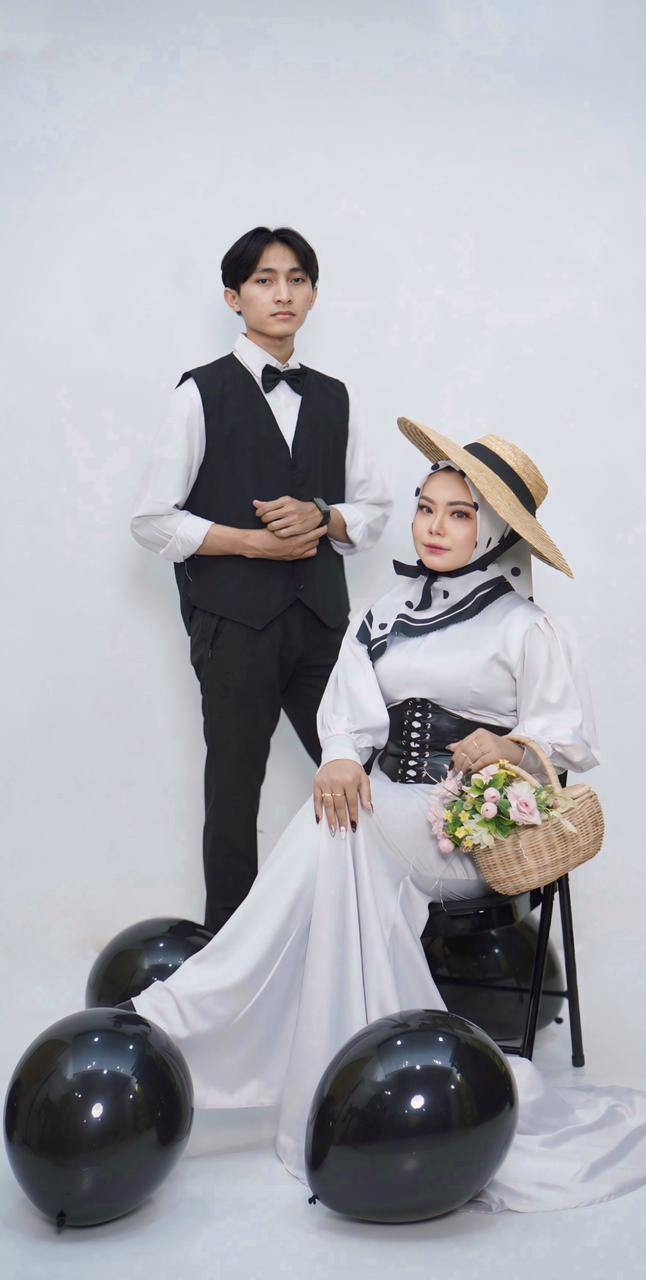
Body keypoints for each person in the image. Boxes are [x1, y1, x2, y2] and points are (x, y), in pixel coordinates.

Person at [131, 421, 646, 1212]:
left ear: (493, 530)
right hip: (385, 815)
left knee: (345, 828)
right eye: (426, 508)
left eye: (459, 514)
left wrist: (508, 744)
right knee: (343, 820)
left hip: (471, 833)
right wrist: (338, 756)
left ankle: (201, 1007)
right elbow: (348, 712)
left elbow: (570, 737)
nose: (434, 527)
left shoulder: (526, 626)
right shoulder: (386, 610)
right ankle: (316, 1056)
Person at [130, 226, 391, 931]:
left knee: (366, 776)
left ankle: (374, 932)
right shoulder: (199, 392)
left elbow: (373, 511)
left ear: (313, 294)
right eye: (265, 280)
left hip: (322, 624)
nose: (283, 293)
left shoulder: (336, 397)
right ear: (234, 296)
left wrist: (323, 517)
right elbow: (152, 520)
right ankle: (227, 949)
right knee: (234, 792)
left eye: (297, 279)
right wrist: (251, 544)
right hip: (234, 625)